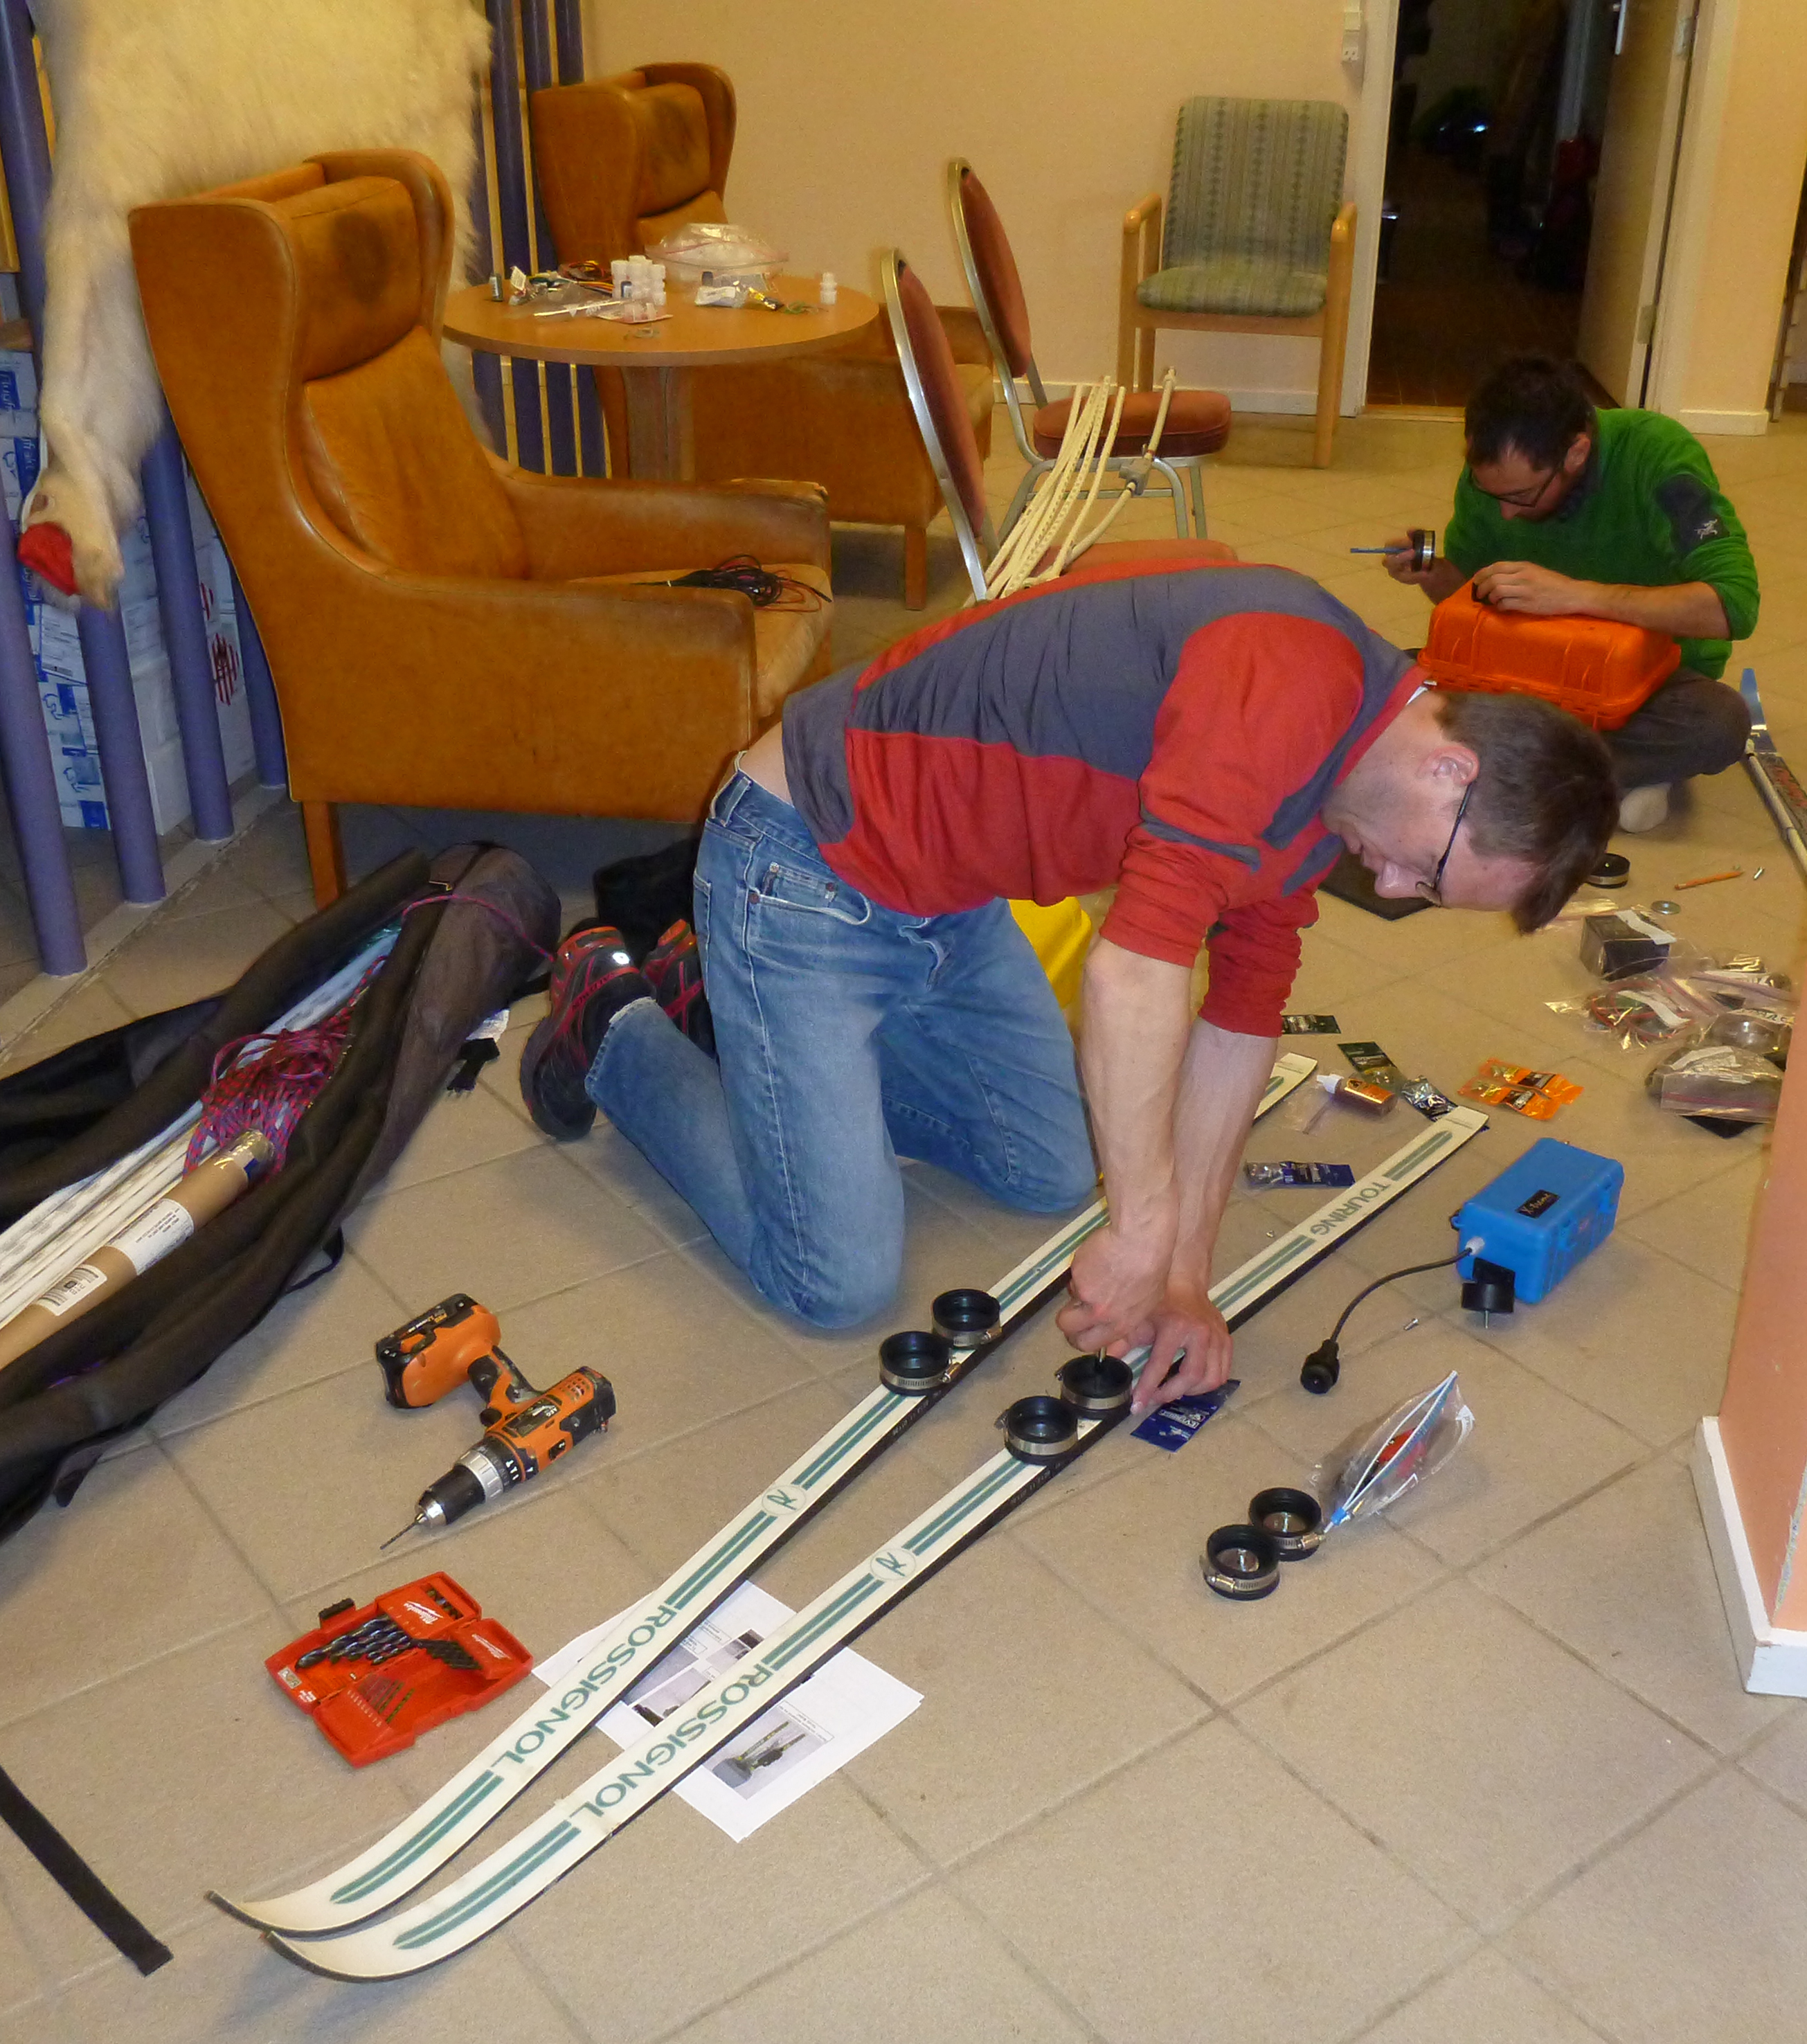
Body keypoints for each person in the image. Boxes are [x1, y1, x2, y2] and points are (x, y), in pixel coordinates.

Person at [521, 560, 1616, 1413]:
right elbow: (1134, 968)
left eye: (1417, 893)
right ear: (1449, 767)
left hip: (949, 900)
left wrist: (1184, 1273)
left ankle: (725, 997)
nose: (1386, 884)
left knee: (1045, 1171)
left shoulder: (1336, 794)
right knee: (833, 1282)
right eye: (1424, 870)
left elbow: (1237, 1028)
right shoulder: (1284, 681)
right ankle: (613, 1014)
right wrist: (1137, 1232)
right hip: (804, 859)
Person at [1382, 354, 1759, 834]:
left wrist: (1579, 596)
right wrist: (1434, 574)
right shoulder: (1497, 476)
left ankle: (1495, 772)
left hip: (1642, 684)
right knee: (1381, 679)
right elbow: (1474, 601)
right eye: (1488, 491)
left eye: (1520, 497)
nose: (1506, 515)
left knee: (1718, 723)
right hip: (1527, 669)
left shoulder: (1657, 454)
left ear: (1576, 453)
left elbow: (1734, 605)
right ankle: (1596, 780)